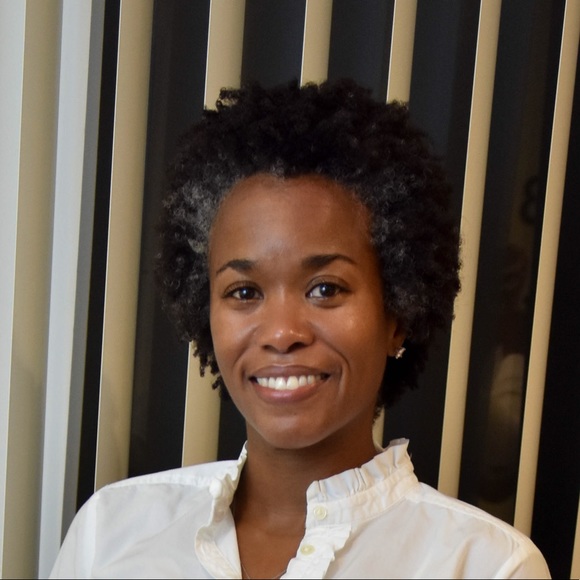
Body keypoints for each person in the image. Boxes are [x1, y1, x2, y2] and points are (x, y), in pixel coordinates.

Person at [50, 79, 550, 578]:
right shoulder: (112, 530)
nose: (281, 332)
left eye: (325, 289)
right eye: (244, 292)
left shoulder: (487, 565)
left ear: (397, 314)